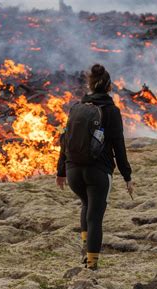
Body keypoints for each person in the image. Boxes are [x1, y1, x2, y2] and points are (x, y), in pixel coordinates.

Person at [56, 64, 134, 270]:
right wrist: (127, 175)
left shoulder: (77, 108)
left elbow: (65, 139)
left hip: (73, 171)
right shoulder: (111, 111)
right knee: (95, 217)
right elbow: (118, 145)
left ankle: (85, 248)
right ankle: (91, 266)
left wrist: (61, 171)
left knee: (85, 204)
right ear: (109, 87)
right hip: (98, 172)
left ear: (90, 85)